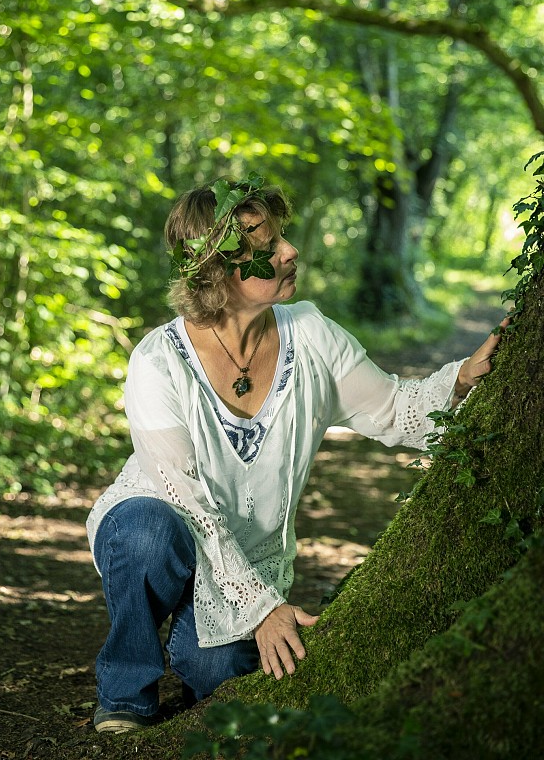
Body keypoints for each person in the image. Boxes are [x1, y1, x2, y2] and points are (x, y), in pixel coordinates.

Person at [86, 175, 506, 735]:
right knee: (146, 533)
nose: (290, 252)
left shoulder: (310, 332)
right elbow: (185, 503)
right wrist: (261, 609)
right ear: (214, 270)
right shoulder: (158, 361)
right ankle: (125, 696)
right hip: (164, 519)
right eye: (268, 249)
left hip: (249, 557)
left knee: (220, 674)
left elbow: (394, 411)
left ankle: (192, 644)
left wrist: (459, 383)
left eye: (283, 239)